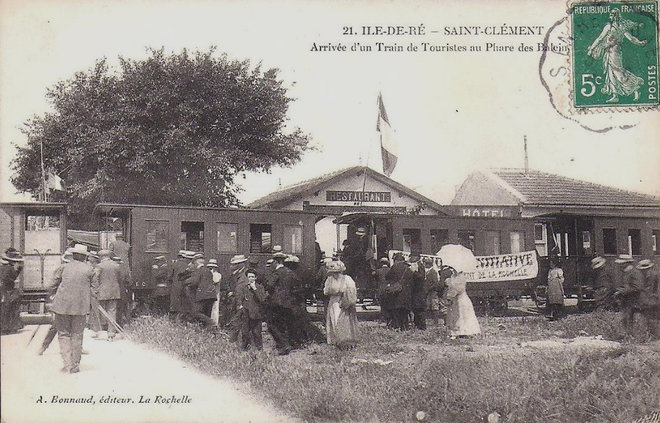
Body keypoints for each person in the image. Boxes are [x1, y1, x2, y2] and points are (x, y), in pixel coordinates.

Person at [50, 244, 97, 373]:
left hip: (61, 307)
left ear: (73, 255)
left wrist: (52, 296)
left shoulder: (63, 267)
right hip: (81, 308)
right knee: (77, 335)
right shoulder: (90, 270)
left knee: (64, 334)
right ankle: (75, 366)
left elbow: (52, 285)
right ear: (84, 257)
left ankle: (67, 364)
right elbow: (94, 290)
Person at [587, 8, 648, 103]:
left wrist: (639, 43)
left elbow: (631, 38)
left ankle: (635, 88)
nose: (610, 16)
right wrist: (592, 48)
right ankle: (615, 95)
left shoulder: (620, 27)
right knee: (610, 73)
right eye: (610, 15)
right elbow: (599, 38)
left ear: (616, 16)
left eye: (612, 15)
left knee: (618, 73)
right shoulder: (609, 26)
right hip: (608, 52)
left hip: (616, 53)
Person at [264, 247, 296, 355]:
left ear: (276, 261)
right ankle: (286, 344)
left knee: (272, 324)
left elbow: (269, 286)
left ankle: (283, 345)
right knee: (284, 324)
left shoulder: (276, 273)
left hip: (276, 302)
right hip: (288, 302)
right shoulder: (290, 272)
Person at [92, 249, 126, 341]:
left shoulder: (99, 266)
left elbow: (95, 279)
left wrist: (95, 290)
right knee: (112, 311)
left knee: (99, 312)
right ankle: (111, 334)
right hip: (114, 292)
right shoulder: (116, 266)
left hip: (102, 292)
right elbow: (120, 278)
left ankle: (98, 331)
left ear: (102, 257)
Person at [323, 260, 358, 348]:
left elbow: (351, 290)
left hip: (343, 300)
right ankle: (336, 339)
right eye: (333, 273)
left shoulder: (346, 278)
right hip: (334, 301)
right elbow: (326, 291)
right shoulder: (330, 279)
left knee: (341, 319)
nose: (335, 274)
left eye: (337, 272)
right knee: (334, 319)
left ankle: (344, 339)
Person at [444, 266, 481, 338]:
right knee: (454, 314)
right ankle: (456, 331)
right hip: (455, 299)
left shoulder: (461, 277)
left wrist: (450, 295)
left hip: (461, 298)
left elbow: (458, 288)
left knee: (462, 315)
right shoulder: (453, 276)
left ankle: (465, 331)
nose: (453, 269)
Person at [235, 269, 268, 350]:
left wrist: (255, 289)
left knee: (257, 333)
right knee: (245, 332)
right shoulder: (243, 287)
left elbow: (263, 299)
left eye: (252, 277)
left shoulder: (260, 287)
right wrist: (240, 306)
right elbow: (239, 298)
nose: (251, 279)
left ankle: (259, 350)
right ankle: (244, 349)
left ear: (256, 278)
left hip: (257, 313)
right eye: (249, 277)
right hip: (246, 312)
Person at [615, 257, 645, 335]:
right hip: (628, 300)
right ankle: (628, 335)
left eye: (621, 264)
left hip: (635, 300)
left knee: (632, 318)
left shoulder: (635, 273)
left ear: (626, 263)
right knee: (626, 318)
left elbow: (637, 287)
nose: (620, 266)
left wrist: (622, 291)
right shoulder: (627, 272)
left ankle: (633, 336)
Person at [1, 248, 25, 335]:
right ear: (13, 262)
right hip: (5, 291)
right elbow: (3, 281)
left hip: (7, 290)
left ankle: (8, 327)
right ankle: (7, 327)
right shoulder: (8, 269)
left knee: (8, 309)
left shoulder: (9, 268)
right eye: (17, 262)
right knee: (7, 309)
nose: (19, 264)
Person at [636, 259, 659, 338]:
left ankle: (655, 335)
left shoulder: (653, 275)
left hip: (654, 299)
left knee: (653, 317)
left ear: (647, 269)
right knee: (651, 317)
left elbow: (651, 289)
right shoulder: (646, 275)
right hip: (651, 299)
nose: (642, 271)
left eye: (643, 270)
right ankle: (652, 334)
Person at [169, 250, 193, 322]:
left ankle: (173, 320)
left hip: (175, 287)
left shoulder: (174, 264)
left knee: (174, 305)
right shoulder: (189, 266)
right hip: (186, 287)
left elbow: (170, 277)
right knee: (185, 304)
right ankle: (183, 320)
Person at [411, 255, 431, 330]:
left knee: (420, 309)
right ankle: (417, 325)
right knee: (416, 309)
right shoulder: (417, 265)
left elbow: (421, 277)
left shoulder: (420, 266)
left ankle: (422, 326)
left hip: (419, 292)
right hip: (416, 292)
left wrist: (414, 272)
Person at [423, 256, 442, 326]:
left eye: (427, 263)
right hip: (428, 291)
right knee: (427, 305)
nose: (425, 264)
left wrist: (429, 288)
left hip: (433, 291)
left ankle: (436, 322)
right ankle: (430, 320)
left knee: (434, 306)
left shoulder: (433, 271)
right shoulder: (427, 271)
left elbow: (435, 282)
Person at [375, 257, 394, 327]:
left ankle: (383, 318)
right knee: (388, 304)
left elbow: (376, 280)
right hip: (389, 289)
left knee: (382, 305)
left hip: (381, 289)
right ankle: (389, 318)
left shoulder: (378, 271)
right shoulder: (391, 270)